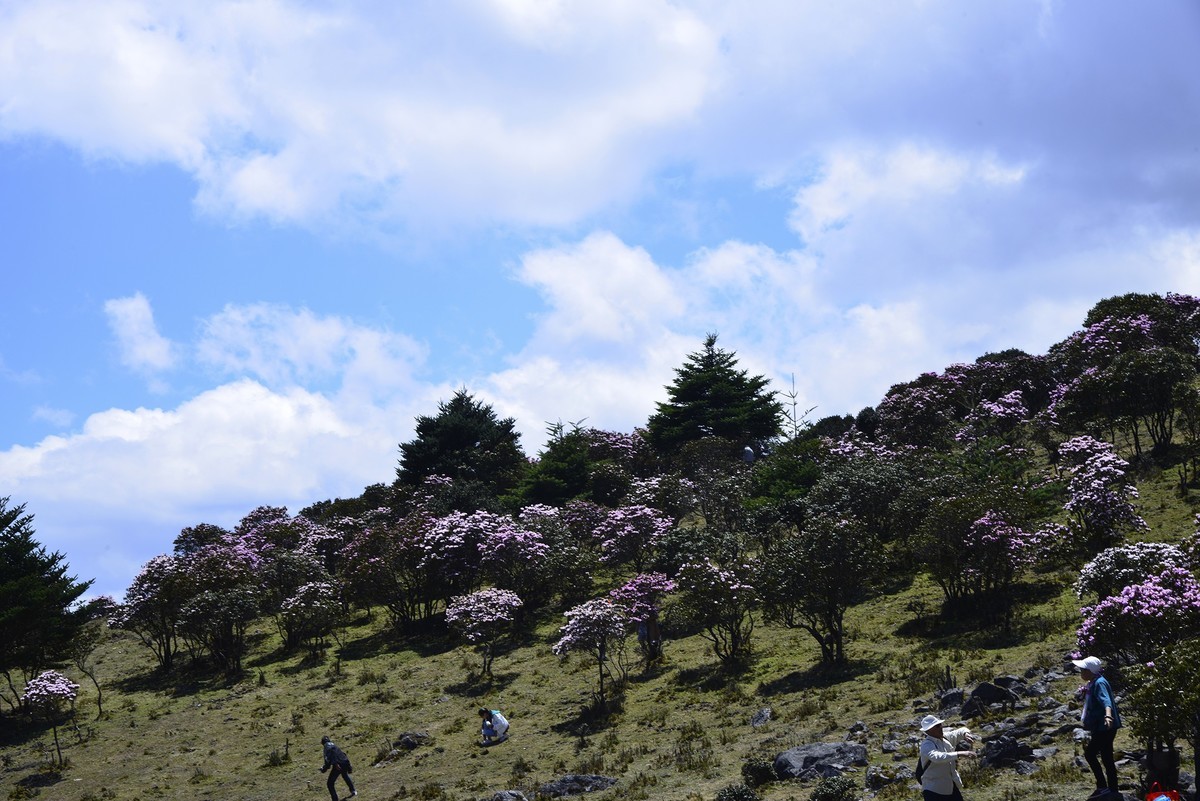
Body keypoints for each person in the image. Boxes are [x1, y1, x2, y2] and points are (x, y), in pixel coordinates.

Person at [1073, 655, 1122, 797]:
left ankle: (1102, 786)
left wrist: (1108, 715)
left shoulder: (1099, 683)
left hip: (1104, 727)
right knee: (1106, 757)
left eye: (1083, 670)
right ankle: (1112, 789)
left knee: (1090, 754)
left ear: (1090, 671)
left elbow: (1105, 701)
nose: (1081, 672)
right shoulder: (1095, 681)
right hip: (1104, 727)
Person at [918, 714, 977, 801]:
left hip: (950, 787)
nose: (941, 727)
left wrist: (965, 734)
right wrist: (960, 753)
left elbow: (960, 731)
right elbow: (938, 757)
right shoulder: (927, 745)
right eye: (937, 726)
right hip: (933, 791)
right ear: (929, 731)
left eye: (940, 725)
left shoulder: (945, 738)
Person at [319, 735, 357, 800]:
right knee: (345, 775)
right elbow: (343, 754)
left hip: (337, 765)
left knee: (330, 783)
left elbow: (328, 760)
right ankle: (353, 790)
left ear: (322, 743)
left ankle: (335, 799)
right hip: (345, 762)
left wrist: (323, 769)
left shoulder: (326, 748)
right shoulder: (335, 746)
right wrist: (349, 766)